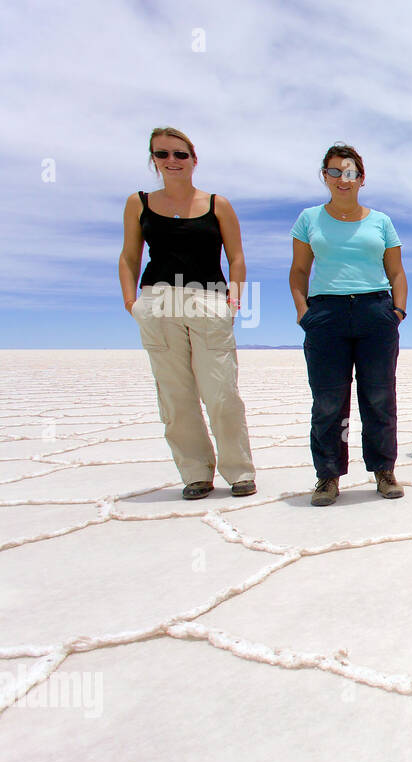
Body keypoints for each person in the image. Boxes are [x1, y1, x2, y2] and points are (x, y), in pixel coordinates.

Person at [118, 126, 256, 500]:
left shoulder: (216, 204)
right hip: (158, 301)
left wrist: (233, 299)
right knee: (176, 396)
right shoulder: (139, 203)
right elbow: (130, 257)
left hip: (209, 300)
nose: (171, 161)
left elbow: (236, 255)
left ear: (193, 159)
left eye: (179, 154)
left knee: (222, 392)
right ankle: (195, 473)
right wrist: (133, 303)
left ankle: (239, 471)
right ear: (153, 160)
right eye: (161, 154)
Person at [289, 143, 407, 506]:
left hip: (375, 311)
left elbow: (397, 271)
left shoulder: (381, 221)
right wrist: (303, 313)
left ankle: (383, 471)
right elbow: (299, 271)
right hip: (326, 314)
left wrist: (398, 311)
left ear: (362, 178)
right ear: (325, 176)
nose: (343, 179)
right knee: (328, 400)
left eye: (351, 172)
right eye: (335, 172)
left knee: (379, 397)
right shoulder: (309, 219)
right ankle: (327, 476)